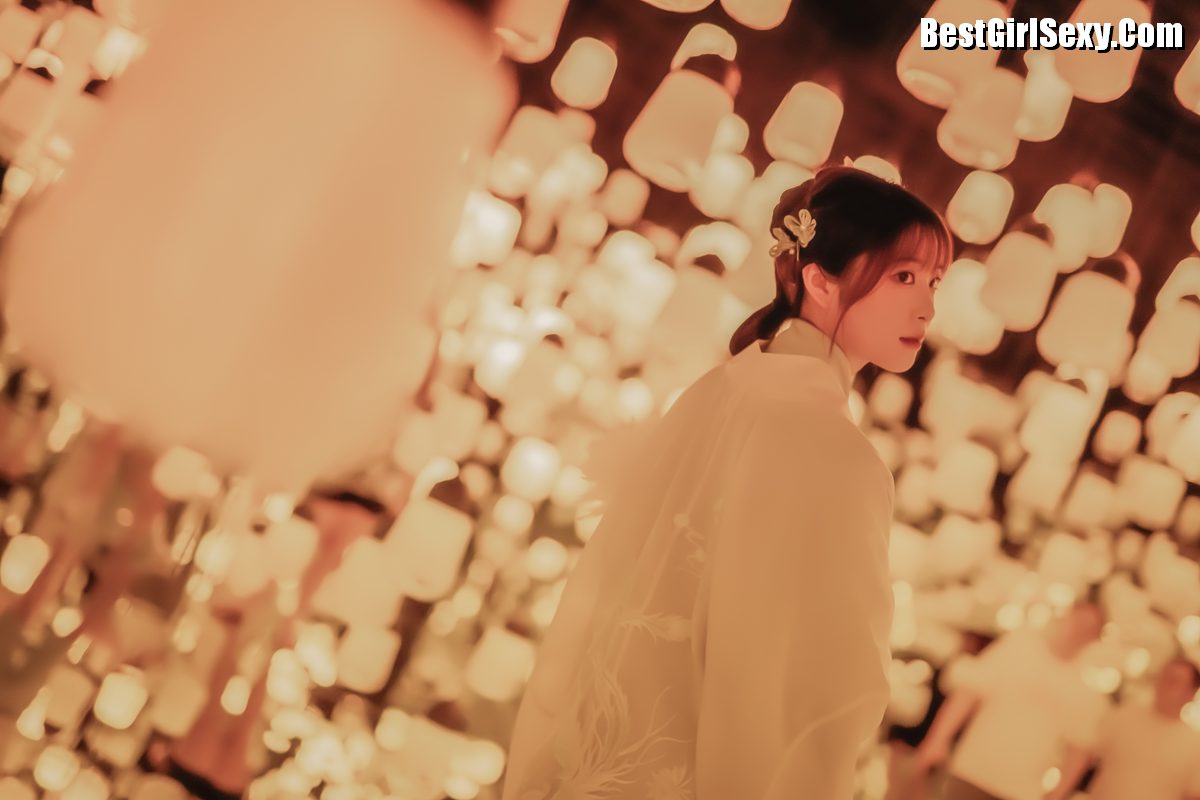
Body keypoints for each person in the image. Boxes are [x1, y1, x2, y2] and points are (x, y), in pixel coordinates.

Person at [499, 165, 952, 800]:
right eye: (904, 276)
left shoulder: (726, 386)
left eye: (934, 282)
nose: (926, 306)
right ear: (820, 279)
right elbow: (831, 679)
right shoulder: (837, 451)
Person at [912, 602, 1109, 800]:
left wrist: (1057, 794)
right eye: (1078, 621)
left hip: (1019, 792)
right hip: (970, 771)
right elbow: (969, 693)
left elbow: (1079, 751)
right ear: (1065, 617)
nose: (1078, 631)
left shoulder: (1084, 693)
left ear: (1093, 639)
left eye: (1088, 628)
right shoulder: (1019, 647)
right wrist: (937, 740)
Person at [1044, 656, 1200, 800]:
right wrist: (1057, 794)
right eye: (1163, 677)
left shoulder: (1194, 745)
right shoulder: (1125, 716)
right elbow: (1082, 751)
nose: (1164, 685)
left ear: (1191, 693)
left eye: (1174, 681)